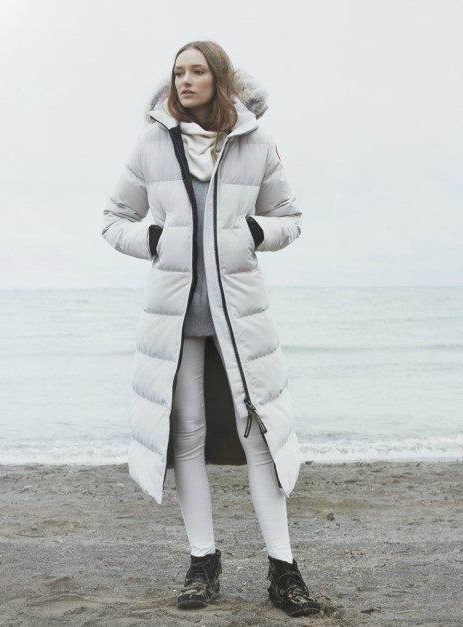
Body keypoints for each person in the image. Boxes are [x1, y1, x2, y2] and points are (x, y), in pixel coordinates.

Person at [101, 40, 319, 617]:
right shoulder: (152, 142)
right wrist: (152, 239)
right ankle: (203, 561)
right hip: (175, 321)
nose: (185, 80)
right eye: (178, 72)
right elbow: (113, 220)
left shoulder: (254, 142)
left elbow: (290, 218)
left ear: (219, 79)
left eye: (197, 71)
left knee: (259, 435)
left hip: (238, 318)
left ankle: (283, 569)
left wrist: (253, 232)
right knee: (188, 436)